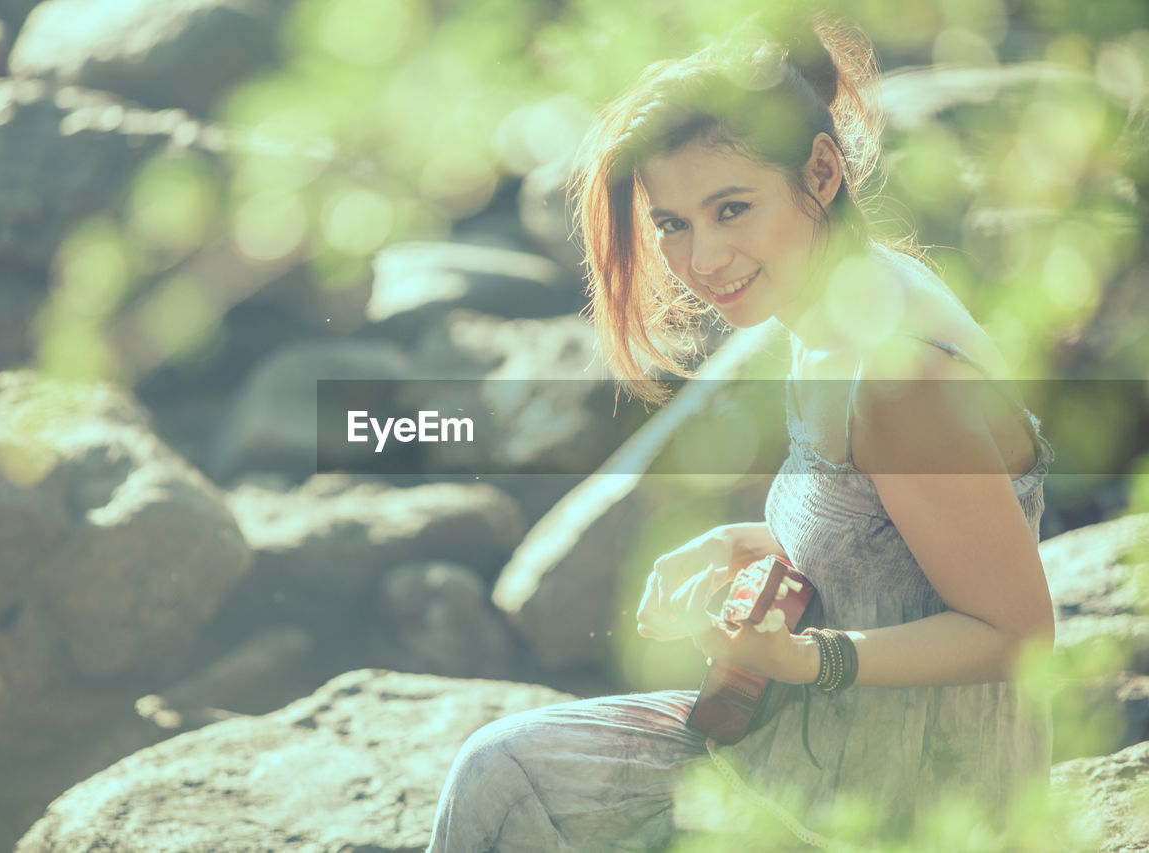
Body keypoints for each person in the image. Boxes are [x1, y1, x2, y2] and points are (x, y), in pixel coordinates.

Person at [426, 11, 1055, 852]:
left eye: (731, 208)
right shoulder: (834, 310)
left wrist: (808, 659)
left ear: (823, 172)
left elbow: (1017, 634)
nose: (703, 258)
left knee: (508, 783)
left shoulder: (902, 377)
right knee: (501, 770)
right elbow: (890, 538)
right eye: (673, 224)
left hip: (905, 799)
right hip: (811, 743)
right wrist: (738, 541)